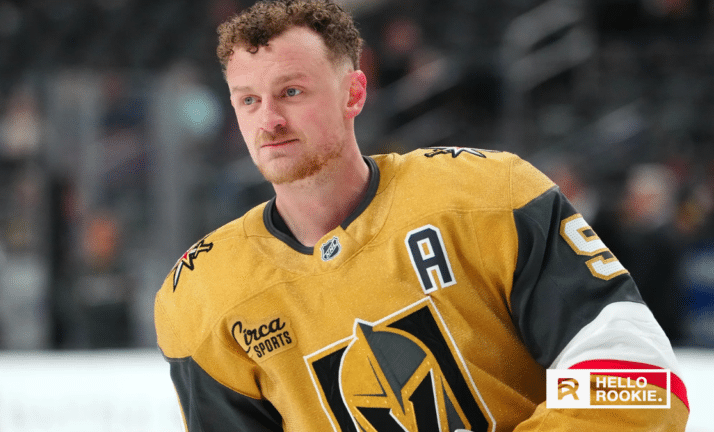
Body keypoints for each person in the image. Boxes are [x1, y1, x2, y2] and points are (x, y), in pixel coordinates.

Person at [154, 1, 689, 430]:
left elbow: (637, 378)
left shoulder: (489, 195)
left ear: (354, 93)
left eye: (291, 92)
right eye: (247, 100)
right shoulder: (203, 295)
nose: (269, 119)